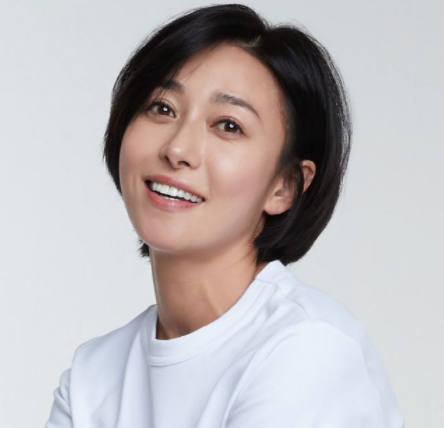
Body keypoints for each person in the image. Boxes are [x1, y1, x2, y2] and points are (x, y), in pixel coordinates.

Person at [45, 4, 405, 427]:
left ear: (285, 186)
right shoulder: (92, 377)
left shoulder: (308, 348)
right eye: (162, 108)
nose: (178, 149)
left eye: (228, 125)